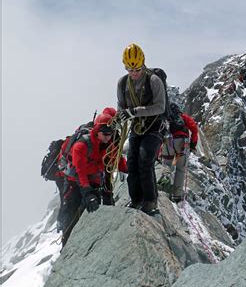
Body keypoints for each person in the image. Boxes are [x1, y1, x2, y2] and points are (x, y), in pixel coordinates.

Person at [59, 113, 126, 247]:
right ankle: (66, 247)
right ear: (97, 131)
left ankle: (90, 245)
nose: (108, 136)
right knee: (71, 216)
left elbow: (118, 161)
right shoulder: (82, 145)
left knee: (93, 212)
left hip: (93, 181)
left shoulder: (108, 146)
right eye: (105, 133)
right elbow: (80, 171)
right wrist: (87, 193)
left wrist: (134, 169)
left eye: (110, 133)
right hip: (74, 181)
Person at [117, 43, 167, 213]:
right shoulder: (123, 83)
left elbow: (160, 107)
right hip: (137, 128)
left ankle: (150, 201)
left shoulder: (153, 80)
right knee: (132, 163)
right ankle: (136, 199)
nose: (134, 73)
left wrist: (134, 112)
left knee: (145, 161)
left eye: (137, 69)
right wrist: (121, 116)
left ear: (143, 64)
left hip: (154, 127)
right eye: (130, 70)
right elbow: (121, 106)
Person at [158, 103, 199, 203]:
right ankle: (177, 195)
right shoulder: (183, 117)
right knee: (180, 169)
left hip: (168, 143)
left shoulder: (165, 118)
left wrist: (158, 151)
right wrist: (193, 145)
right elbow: (194, 129)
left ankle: (165, 181)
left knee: (167, 164)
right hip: (181, 144)